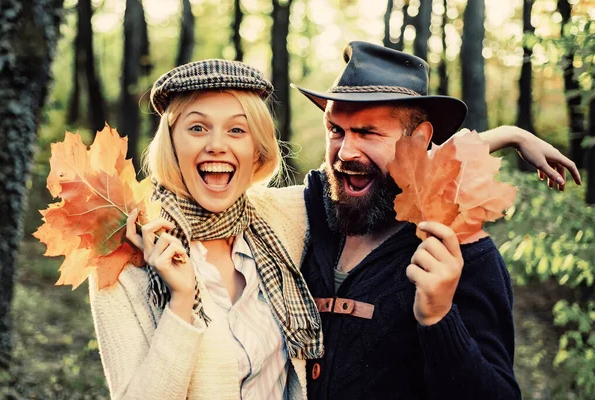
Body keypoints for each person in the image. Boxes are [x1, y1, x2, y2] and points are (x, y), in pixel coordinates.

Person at [245, 41, 581, 399]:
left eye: (367, 132)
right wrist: (508, 135)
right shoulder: (310, 211)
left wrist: (438, 318)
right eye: (335, 130)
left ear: (418, 141)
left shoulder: (464, 252)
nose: (344, 152)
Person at [88, 60, 323, 399]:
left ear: (257, 150)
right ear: (171, 143)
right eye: (197, 128)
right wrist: (181, 303)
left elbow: (362, 184)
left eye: (237, 130)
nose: (216, 144)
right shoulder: (123, 256)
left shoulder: (283, 216)